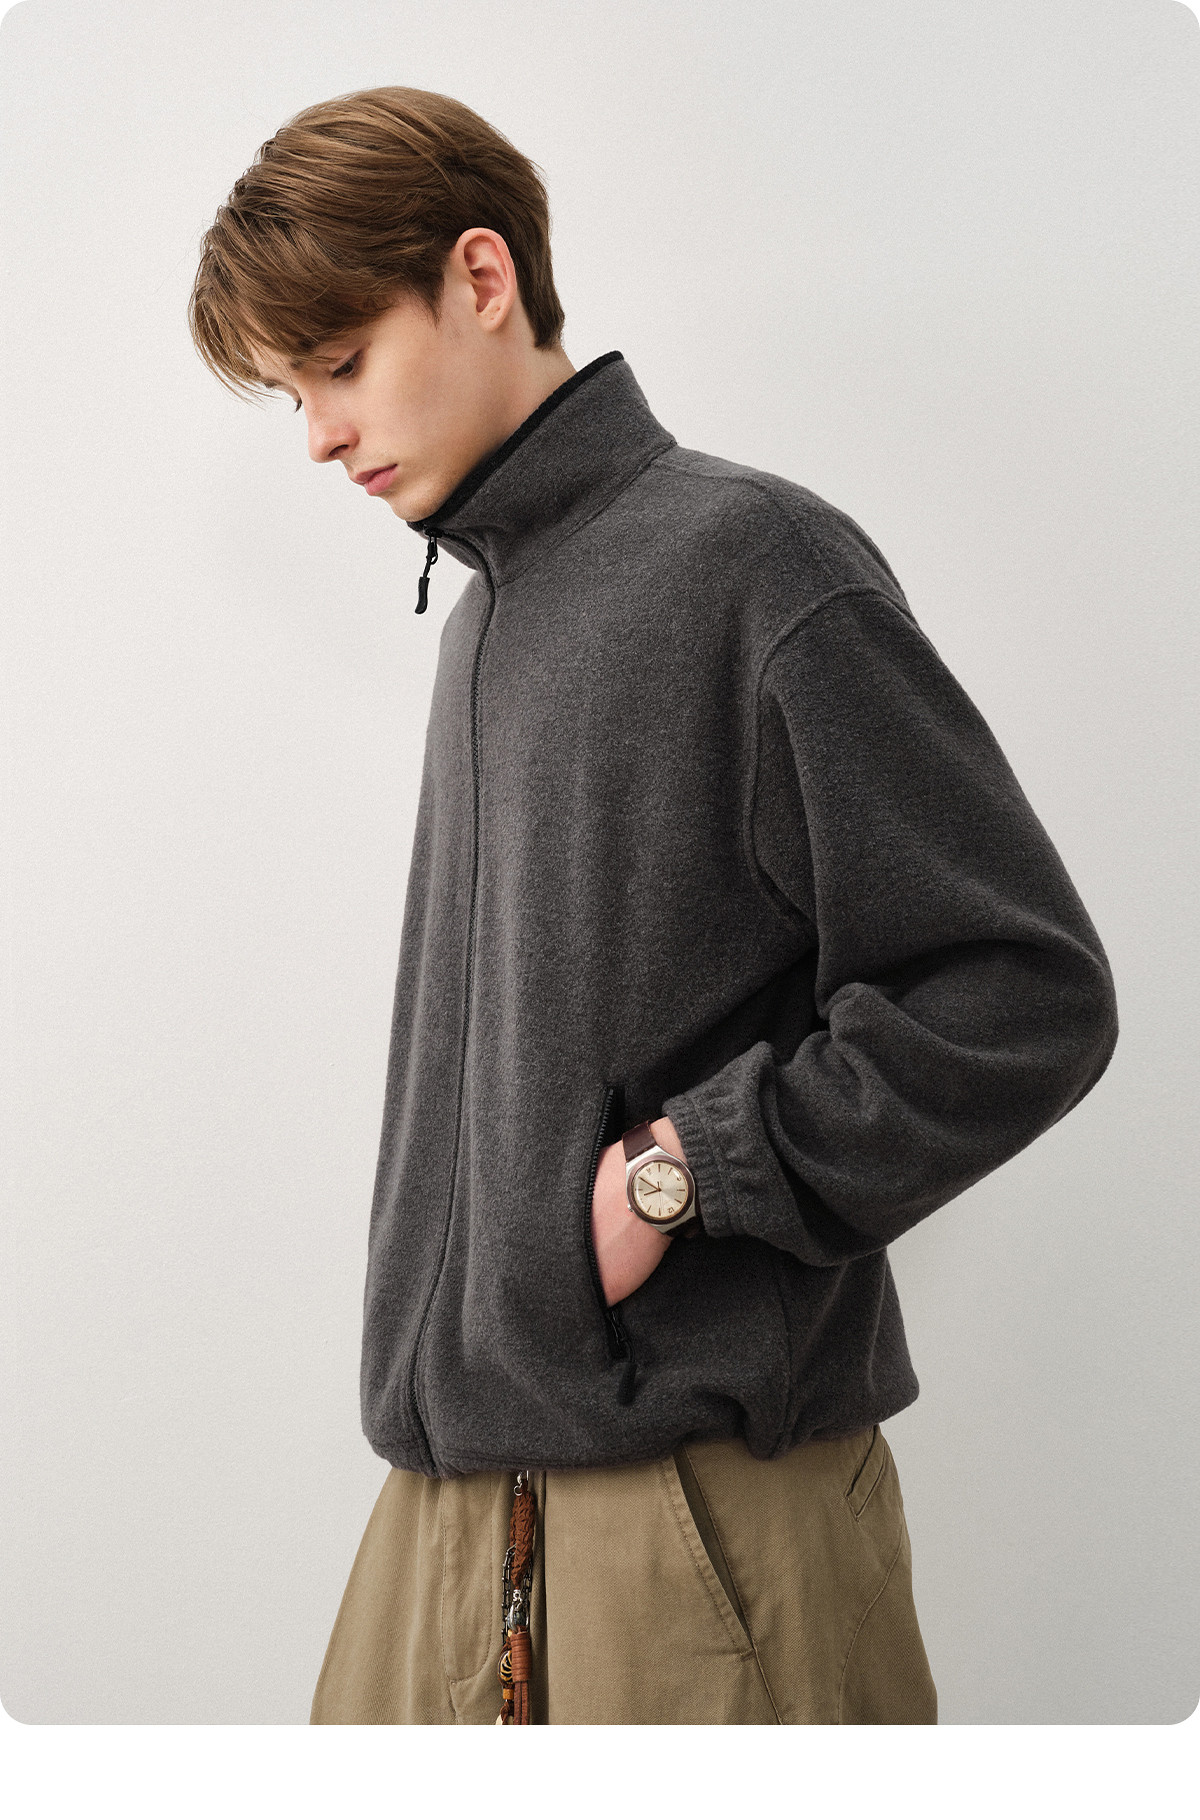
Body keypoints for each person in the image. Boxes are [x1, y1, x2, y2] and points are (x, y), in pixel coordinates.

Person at [188, 86, 1119, 1726]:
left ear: (482, 278)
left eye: (339, 365)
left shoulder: (755, 563)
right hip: (447, 1514)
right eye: (293, 395)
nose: (321, 435)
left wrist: (684, 1175)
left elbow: (1022, 989)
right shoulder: (484, 623)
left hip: (697, 1532)